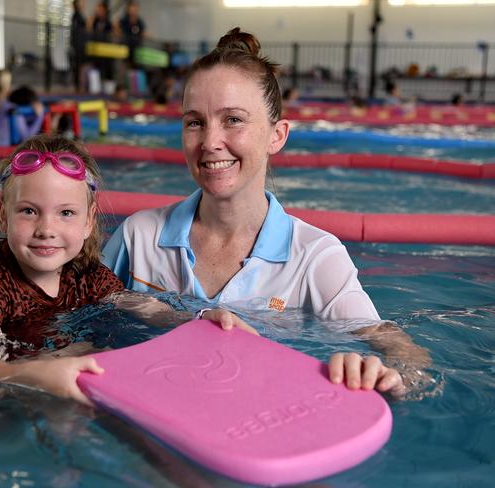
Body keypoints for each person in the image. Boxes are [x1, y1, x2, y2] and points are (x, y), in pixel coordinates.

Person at [103, 27, 432, 398]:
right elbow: (73, 312)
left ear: (277, 135)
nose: (210, 142)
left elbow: (393, 344)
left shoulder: (313, 256)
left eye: (233, 120)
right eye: (195, 122)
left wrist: (389, 374)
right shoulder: (139, 236)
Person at [0, 134, 255, 406]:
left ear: (88, 221)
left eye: (66, 213)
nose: (46, 229)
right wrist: (40, 374)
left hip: (50, 358)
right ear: (3, 216)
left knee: (97, 361)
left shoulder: (86, 273)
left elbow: (143, 307)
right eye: (29, 211)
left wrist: (199, 320)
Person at [0, 69, 44, 146]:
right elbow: (27, 138)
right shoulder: (11, 109)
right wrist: (40, 116)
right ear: (7, 86)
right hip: (2, 156)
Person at [117, 0, 146, 67]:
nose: (134, 9)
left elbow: (143, 34)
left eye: (135, 7)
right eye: (132, 7)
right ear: (128, 9)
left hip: (136, 52)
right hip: (124, 51)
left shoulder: (140, 22)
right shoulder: (123, 21)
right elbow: (118, 32)